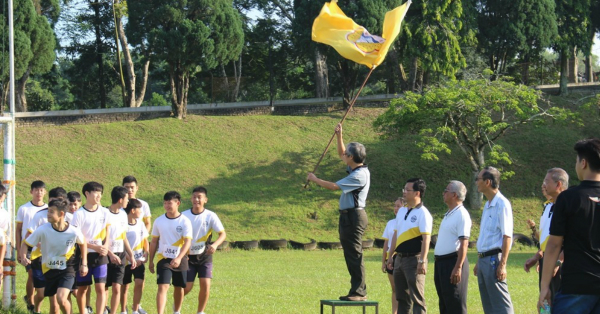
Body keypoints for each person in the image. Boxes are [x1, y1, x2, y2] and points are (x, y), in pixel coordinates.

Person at [307, 123, 370, 301]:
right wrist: (339, 136)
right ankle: (356, 290)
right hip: (348, 216)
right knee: (350, 253)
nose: (343, 156)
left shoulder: (359, 175)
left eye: (346, 154)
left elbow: (334, 186)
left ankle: (360, 292)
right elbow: (340, 153)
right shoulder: (356, 167)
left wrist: (314, 179)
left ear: (351, 157)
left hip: (354, 217)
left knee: (354, 253)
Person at [539, 139, 600, 313]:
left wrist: (545, 288)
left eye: (576, 161)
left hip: (576, 285)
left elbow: (554, 245)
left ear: (583, 163)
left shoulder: (569, 198)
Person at [19, 199, 88, 314]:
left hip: (68, 268)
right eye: (48, 211)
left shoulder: (73, 231)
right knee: (41, 295)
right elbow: (26, 243)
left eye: (51, 212)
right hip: (48, 269)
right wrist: (23, 256)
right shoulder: (43, 230)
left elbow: (83, 243)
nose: (48, 214)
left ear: (61, 214)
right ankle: (36, 309)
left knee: (61, 298)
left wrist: (84, 263)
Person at [386, 178, 432, 314]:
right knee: (402, 298)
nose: (404, 192)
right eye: (404, 189)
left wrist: (422, 261)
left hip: (414, 260)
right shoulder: (401, 211)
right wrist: (390, 256)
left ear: (417, 193)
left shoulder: (423, 213)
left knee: (417, 298)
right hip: (399, 259)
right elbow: (395, 235)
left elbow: (426, 239)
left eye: (407, 190)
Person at [474, 166, 514, 314]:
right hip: (484, 259)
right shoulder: (487, 204)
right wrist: (479, 260)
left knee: (501, 304)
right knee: (489, 304)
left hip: (494, 260)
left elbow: (507, 236)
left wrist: (502, 264)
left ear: (488, 182)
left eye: (478, 179)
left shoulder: (502, 204)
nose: (476, 182)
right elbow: (486, 236)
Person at [524, 169, 567, 304]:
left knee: (558, 303)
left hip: (559, 262)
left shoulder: (568, 206)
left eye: (546, 181)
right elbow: (547, 240)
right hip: (547, 259)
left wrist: (558, 262)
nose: (543, 185)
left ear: (558, 184)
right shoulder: (549, 206)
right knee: (545, 301)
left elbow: (571, 239)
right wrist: (538, 256)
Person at [182, 187, 227, 314]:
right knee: (187, 287)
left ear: (205, 200)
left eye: (199, 197)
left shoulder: (211, 215)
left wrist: (215, 245)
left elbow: (222, 234)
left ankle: (200, 312)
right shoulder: (184, 216)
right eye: (194, 197)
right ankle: (176, 309)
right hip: (188, 257)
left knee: (205, 285)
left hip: (205, 256)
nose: (196, 199)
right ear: (191, 199)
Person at [25, 187, 69, 314]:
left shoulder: (69, 217)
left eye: (59, 201)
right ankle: (35, 307)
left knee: (55, 298)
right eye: (54, 201)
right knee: (41, 293)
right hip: (40, 258)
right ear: (49, 200)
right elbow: (29, 236)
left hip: (60, 260)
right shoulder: (40, 215)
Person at [149, 191, 192, 314]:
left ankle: (176, 311)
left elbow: (187, 242)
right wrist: (151, 261)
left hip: (181, 258)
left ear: (178, 203)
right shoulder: (158, 221)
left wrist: (179, 258)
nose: (167, 205)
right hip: (164, 259)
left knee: (179, 287)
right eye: (165, 203)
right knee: (163, 286)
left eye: (170, 203)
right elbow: (153, 242)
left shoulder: (185, 221)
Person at [71, 182, 110, 314]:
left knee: (100, 287)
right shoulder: (79, 214)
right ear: (87, 193)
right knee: (83, 289)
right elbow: (76, 239)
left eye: (100, 193)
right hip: (84, 256)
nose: (99, 196)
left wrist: (105, 246)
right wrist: (94, 247)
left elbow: (108, 232)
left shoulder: (104, 212)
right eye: (96, 192)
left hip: (100, 256)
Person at [434, 180, 471, 314]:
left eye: (446, 190)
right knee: (444, 303)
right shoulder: (449, 213)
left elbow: (464, 243)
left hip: (452, 262)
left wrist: (458, 267)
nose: (443, 192)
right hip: (441, 263)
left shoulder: (462, 214)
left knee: (455, 304)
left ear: (454, 195)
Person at [16, 180, 47, 312]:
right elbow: (18, 229)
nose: (39, 193)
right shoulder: (24, 208)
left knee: (41, 277)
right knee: (31, 274)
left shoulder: (48, 210)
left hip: (43, 249)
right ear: (31, 192)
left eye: (41, 190)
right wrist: (18, 249)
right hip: (28, 247)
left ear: (44, 192)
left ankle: (30, 298)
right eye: (36, 190)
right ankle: (31, 304)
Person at [105, 187, 136, 314]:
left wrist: (131, 255)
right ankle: (103, 309)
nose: (128, 201)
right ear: (120, 199)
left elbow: (123, 237)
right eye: (126, 198)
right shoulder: (104, 214)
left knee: (117, 287)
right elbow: (101, 238)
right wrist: (110, 254)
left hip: (120, 255)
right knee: (104, 287)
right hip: (106, 255)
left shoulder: (123, 214)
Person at [120, 199, 148, 314]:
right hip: (126, 261)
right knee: (125, 286)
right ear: (132, 210)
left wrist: (146, 254)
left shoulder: (140, 224)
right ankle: (123, 310)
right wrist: (129, 257)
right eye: (139, 210)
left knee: (139, 283)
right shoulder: (122, 225)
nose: (141, 212)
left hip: (139, 261)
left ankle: (135, 310)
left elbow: (145, 240)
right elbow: (120, 243)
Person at [381, 197, 403, 314]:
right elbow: (386, 243)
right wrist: (383, 260)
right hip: (390, 258)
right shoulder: (390, 223)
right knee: (394, 288)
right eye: (395, 206)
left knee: (402, 289)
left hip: (401, 256)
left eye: (398, 206)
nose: (395, 208)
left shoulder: (405, 223)